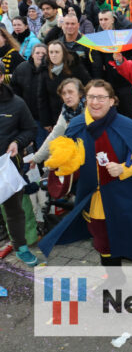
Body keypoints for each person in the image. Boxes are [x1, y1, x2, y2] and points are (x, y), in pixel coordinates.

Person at [38, 79, 132, 275]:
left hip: (127, 198)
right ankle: (115, 281)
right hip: (94, 199)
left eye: (101, 97)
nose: (95, 102)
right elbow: (69, 160)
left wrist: (124, 169)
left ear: (112, 101)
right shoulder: (76, 125)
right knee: (103, 243)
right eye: (91, 97)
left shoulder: (129, 127)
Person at [0, 82, 38, 265]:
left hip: (8, 167)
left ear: (1, 76)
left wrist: (17, 142)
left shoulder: (17, 103)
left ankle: (21, 248)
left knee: (14, 210)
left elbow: (30, 129)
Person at [31, 78, 85, 166]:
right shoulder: (65, 113)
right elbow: (54, 136)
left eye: (70, 92)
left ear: (80, 93)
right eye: (64, 93)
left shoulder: (91, 109)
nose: (67, 96)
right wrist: (37, 158)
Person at [37, 41, 91, 129]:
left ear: (63, 53)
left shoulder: (74, 66)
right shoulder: (45, 70)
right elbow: (42, 98)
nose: (54, 55)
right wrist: (46, 122)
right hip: (55, 115)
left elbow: (88, 86)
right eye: (51, 52)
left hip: (77, 112)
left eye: (57, 52)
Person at [10, 43, 47, 145]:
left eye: (43, 53)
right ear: (32, 55)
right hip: (27, 115)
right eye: (37, 53)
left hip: (46, 118)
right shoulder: (22, 68)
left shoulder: (51, 68)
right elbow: (14, 90)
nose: (40, 55)